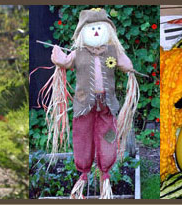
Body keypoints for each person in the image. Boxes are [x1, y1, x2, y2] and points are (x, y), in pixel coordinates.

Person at [49, 8, 136, 199]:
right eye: (92, 28)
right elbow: (65, 61)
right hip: (83, 106)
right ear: (83, 32)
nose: (96, 31)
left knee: (108, 136)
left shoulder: (112, 51)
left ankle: (105, 174)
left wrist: (128, 67)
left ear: (108, 30)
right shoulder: (78, 53)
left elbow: (123, 63)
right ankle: (83, 173)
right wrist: (59, 58)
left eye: (99, 27)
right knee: (82, 136)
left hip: (107, 106)